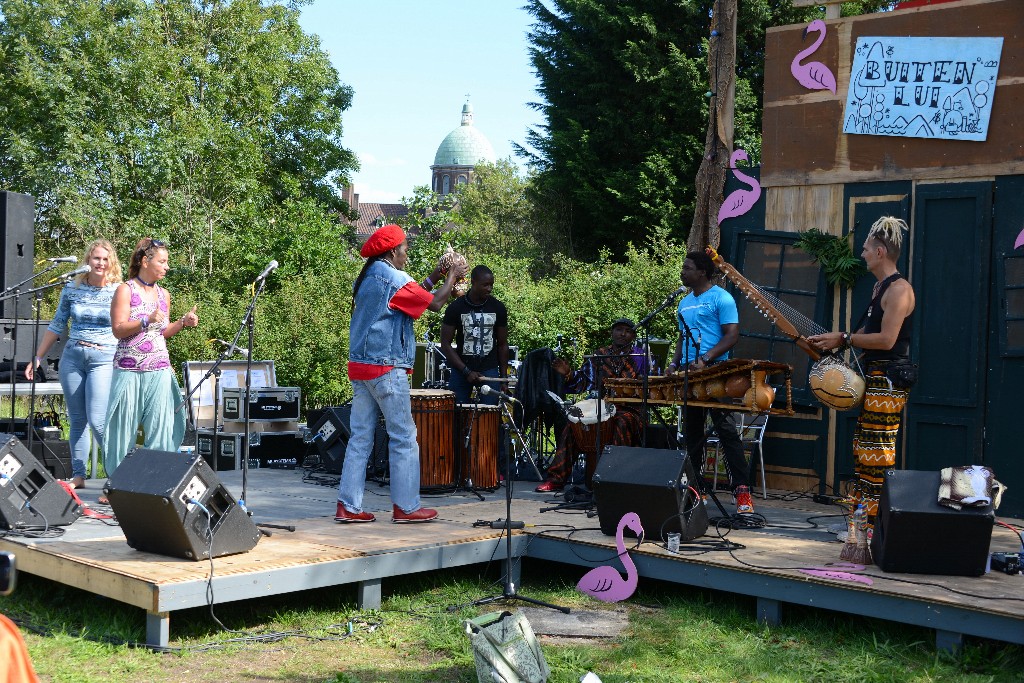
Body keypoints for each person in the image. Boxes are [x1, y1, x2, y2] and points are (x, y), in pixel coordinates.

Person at [336, 224, 467, 524]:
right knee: (404, 437)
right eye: (405, 249)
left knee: (360, 438)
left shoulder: (370, 275)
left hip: (360, 369)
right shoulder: (394, 278)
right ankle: (407, 507)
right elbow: (433, 303)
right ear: (393, 251)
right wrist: (452, 276)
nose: (407, 255)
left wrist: (434, 275)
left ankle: (348, 505)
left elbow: (410, 297)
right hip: (386, 370)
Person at [808, 216, 916, 529]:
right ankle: (863, 522)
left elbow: (887, 340)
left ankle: (873, 528)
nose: (863, 254)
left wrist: (844, 338)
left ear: (881, 252)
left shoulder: (899, 290)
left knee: (876, 454)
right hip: (876, 375)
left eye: (867, 249)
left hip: (889, 378)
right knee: (863, 450)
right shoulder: (880, 287)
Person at [25, 239, 121, 489]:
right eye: (95, 258)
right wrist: (38, 357)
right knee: (77, 420)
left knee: (98, 419)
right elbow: (57, 325)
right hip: (73, 357)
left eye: (104, 259)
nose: (100, 263)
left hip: (103, 358)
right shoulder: (71, 288)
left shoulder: (119, 291)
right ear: (87, 260)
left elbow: (127, 326)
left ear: (111, 263)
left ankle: (118, 475)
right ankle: (79, 475)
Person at [102, 238, 199, 485]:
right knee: (122, 430)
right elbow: (118, 329)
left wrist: (182, 323)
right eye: (162, 261)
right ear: (146, 261)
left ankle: (157, 482)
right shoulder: (126, 289)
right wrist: (145, 319)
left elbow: (161, 332)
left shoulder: (163, 294)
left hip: (159, 369)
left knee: (162, 428)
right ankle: (118, 484)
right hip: (129, 369)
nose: (167, 267)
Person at [667, 251, 754, 515]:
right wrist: (673, 364)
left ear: (702, 272)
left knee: (726, 430)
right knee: (692, 433)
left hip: (715, 372)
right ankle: (696, 492)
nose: (682, 272)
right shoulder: (683, 304)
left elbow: (732, 336)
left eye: (687, 267)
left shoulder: (721, 297)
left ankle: (742, 494)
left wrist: (706, 358)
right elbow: (683, 338)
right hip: (689, 374)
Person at [535, 317, 649, 492]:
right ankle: (556, 479)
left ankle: (615, 479)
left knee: (621, 422)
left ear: (633, 335)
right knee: (573, 425)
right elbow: (582, 383)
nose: (622, 334)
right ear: (612, 333)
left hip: (629, 409)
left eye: (627, 331)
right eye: (619, 329)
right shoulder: (600, 355)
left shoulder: (640, 357)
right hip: (600, 408)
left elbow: (652, 384)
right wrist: (569, 374)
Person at [439, 265, 509, 404]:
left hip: (489, 371)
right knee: (456, 413)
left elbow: (502, 345)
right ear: (473, 282)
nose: (489, 288)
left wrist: (504, 378)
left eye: (491, 285)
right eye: (485, 285)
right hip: (461, 370)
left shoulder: (498, 308)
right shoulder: (456, 307)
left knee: (489, 415)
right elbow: (445, 344)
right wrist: (466, 371)